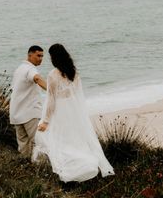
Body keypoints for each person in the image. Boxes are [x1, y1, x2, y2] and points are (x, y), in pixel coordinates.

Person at [33, 44, 114, 182]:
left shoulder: (53, 75)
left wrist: (46, 121)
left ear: (55, 58)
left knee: (60, 139)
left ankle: (72, 169)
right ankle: (86, 163)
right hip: (73, 110)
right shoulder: (74, 72)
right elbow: (78, 95)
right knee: (75, 138)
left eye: (51, 56)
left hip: (60, 110)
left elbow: (51, 100)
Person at [10, 45, 47, 158]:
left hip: (16, 113)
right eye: (38, 55)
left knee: (23, 146)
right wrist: (52, 91)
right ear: (29, 55)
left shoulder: (19, 69)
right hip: (30, 113)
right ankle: (42, 168)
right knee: (39, 143)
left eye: (42, 56)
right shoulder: (30, 69)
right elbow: (37, 78)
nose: (40, 58)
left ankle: (25, 168)